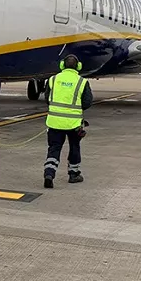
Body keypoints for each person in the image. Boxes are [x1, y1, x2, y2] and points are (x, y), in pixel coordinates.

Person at [43, 54, 93, 188]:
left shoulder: (52, 79)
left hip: (54, 122)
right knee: (74, 147)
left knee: (54, 148)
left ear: (62, 65)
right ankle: (73, 174)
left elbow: (47, 99)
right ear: (78, 66)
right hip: (73, 123)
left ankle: (49, 173)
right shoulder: (81, 81)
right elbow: (88, 102)